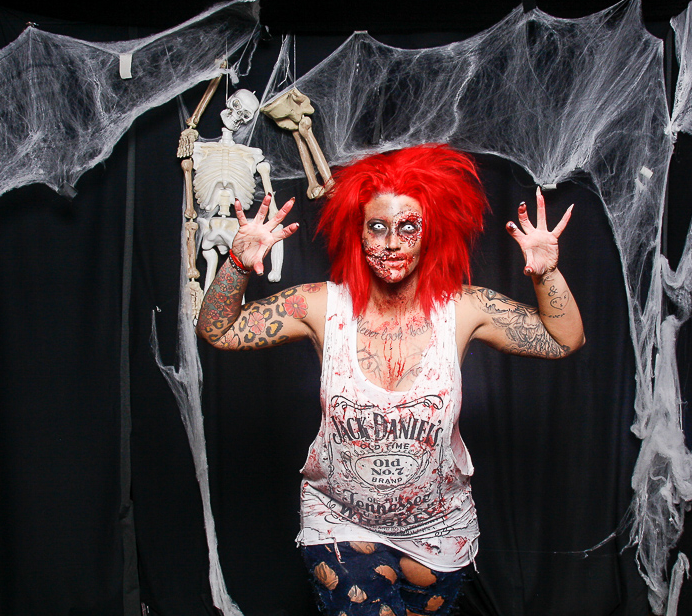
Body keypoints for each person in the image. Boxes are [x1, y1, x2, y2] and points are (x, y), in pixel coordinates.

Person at [196, 144, 584, 616]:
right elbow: (218, 330)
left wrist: (547, 273)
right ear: (358, 233)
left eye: (408, 227)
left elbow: (564, 339)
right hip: (339, 521)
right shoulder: (322, 305)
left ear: (430, 233)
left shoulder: (464, 309)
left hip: (439, 530)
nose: (392, 242)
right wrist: (238, 264)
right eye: (377, 227)